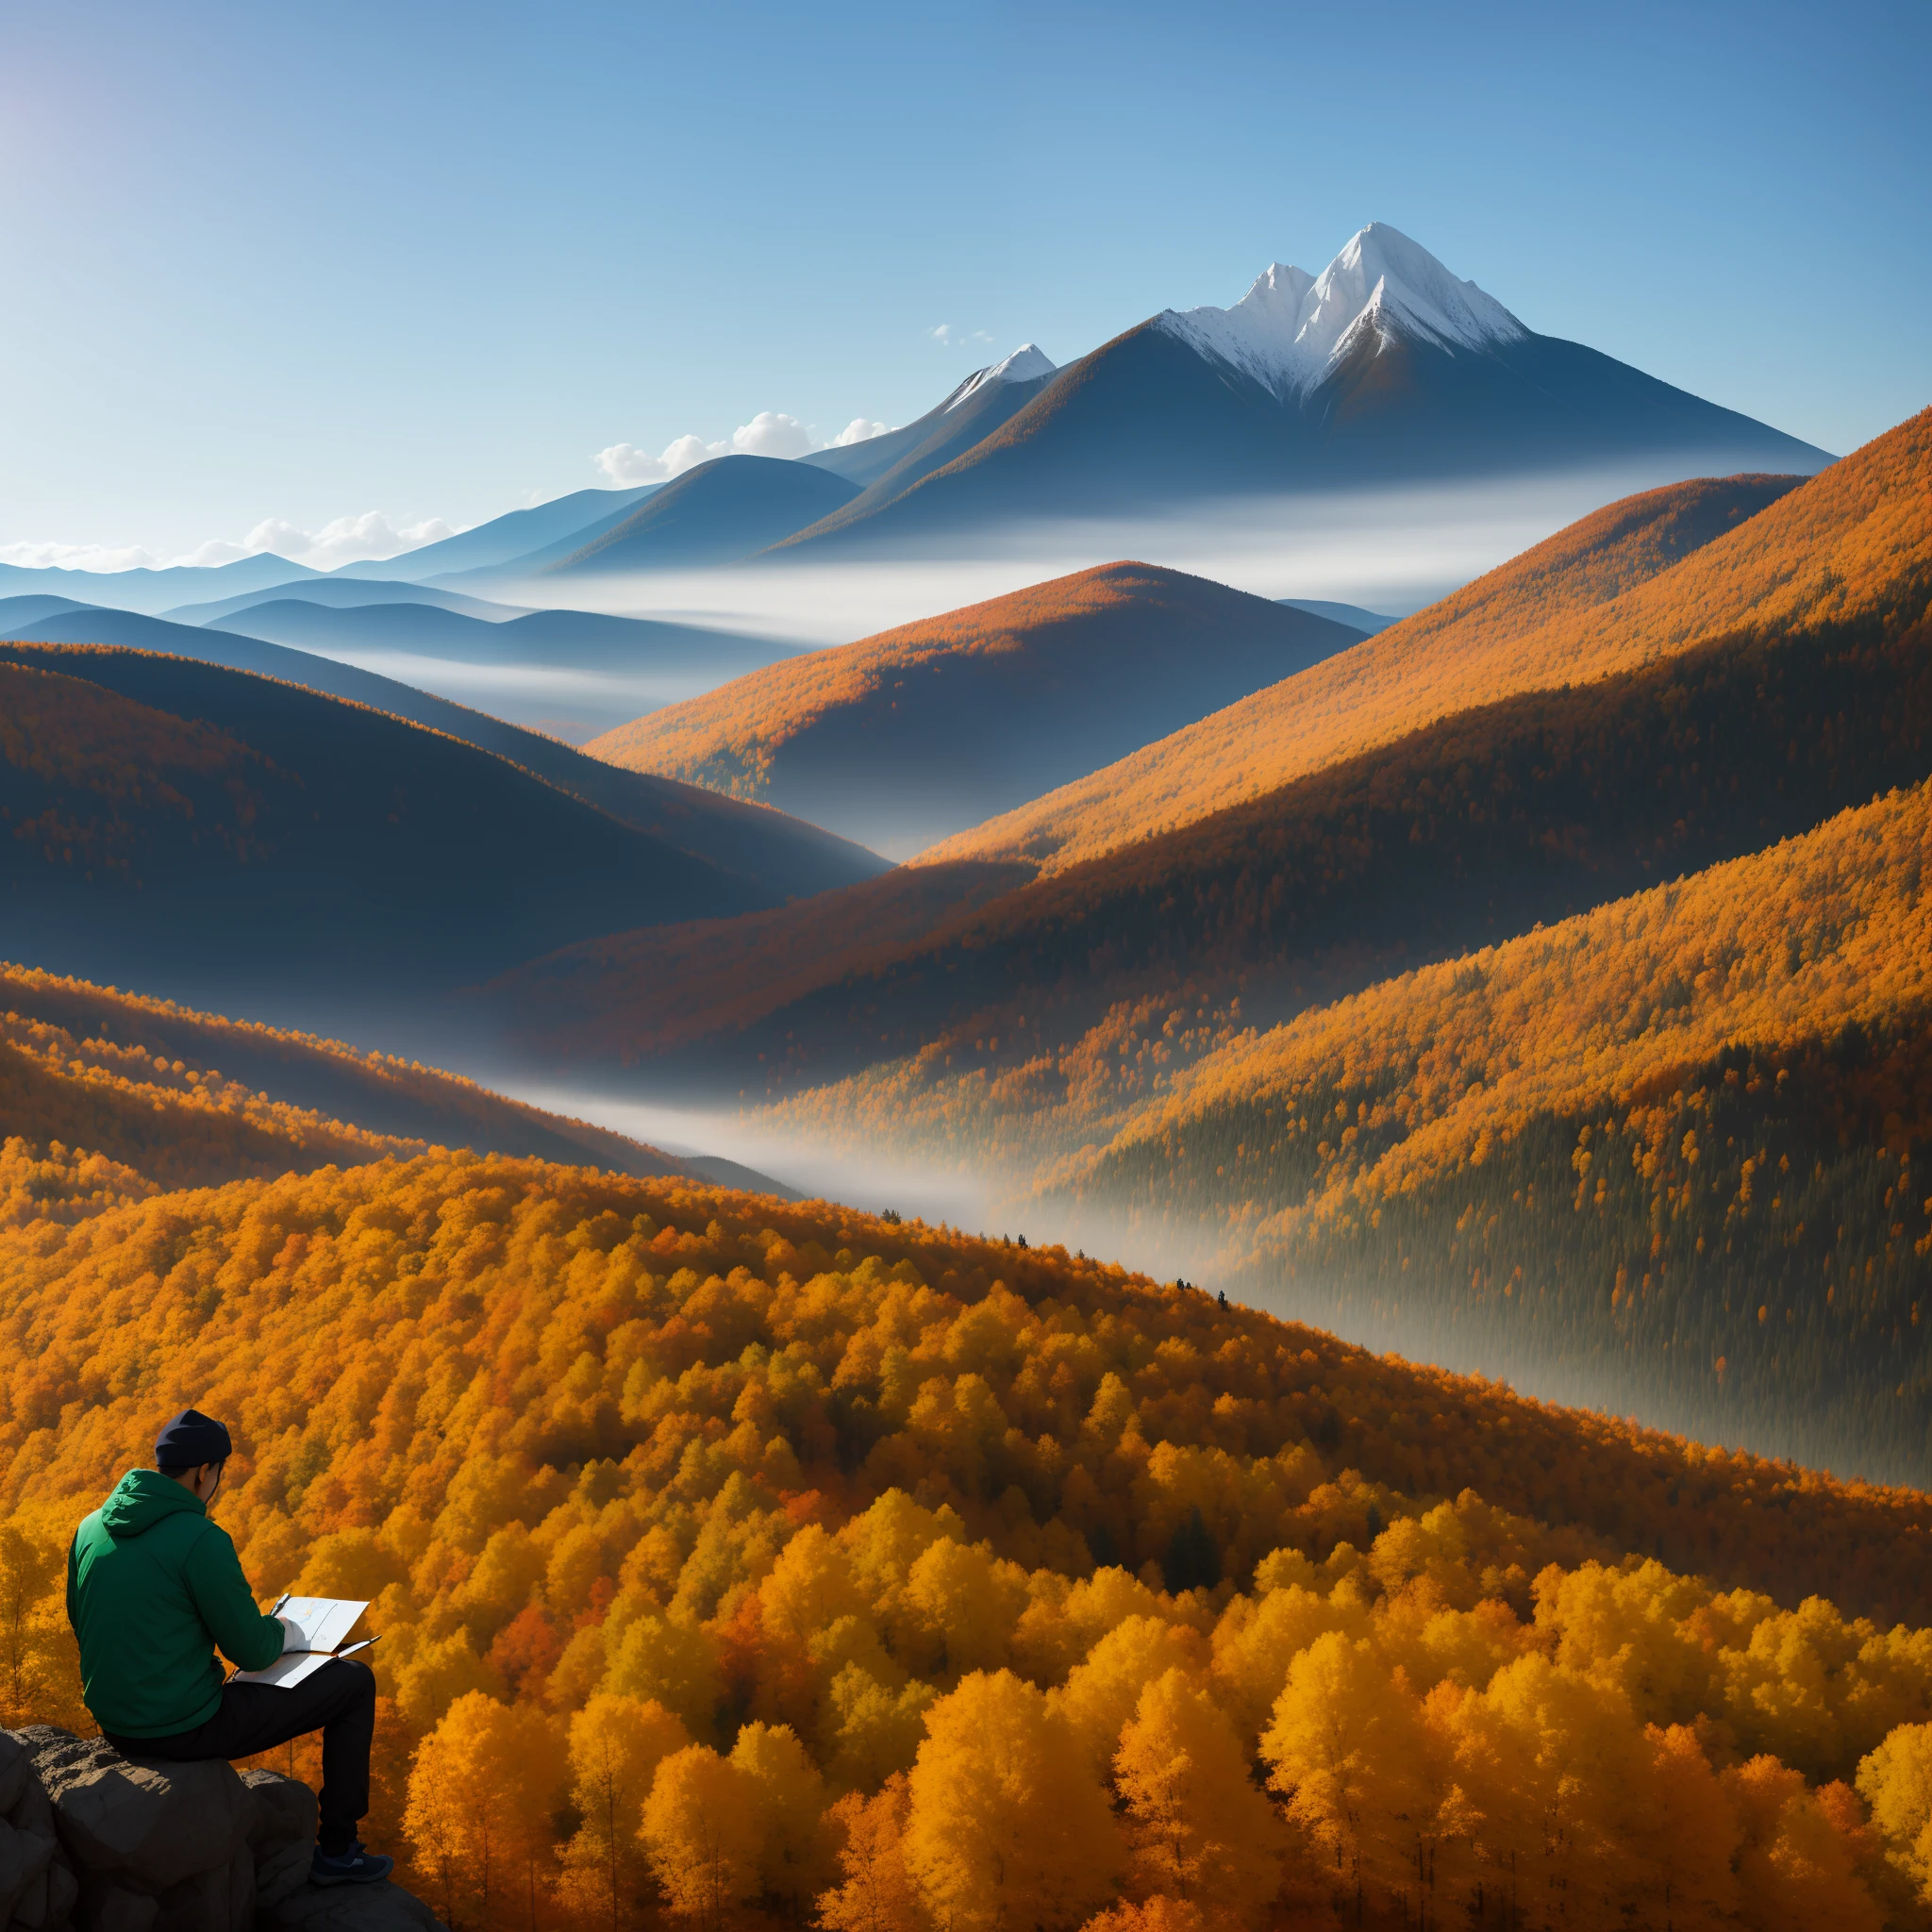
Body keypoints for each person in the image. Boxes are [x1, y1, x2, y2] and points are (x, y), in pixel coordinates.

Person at [66, 1407, 392, 1887]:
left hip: (114, 1722)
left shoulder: (89, 1527)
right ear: (204, 1472)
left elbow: (81, 1620)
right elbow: (256, 1653)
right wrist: (288, 1630)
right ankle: (339, 1852)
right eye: (218, 1472)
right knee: (355, 1683)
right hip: (183, 1727)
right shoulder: (201, 1539)